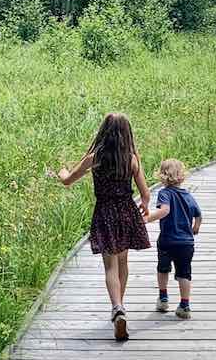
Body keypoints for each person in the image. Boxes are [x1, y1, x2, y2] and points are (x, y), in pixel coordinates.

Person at [57, 113, 150, 340]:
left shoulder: (94, 157)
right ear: (127, 134)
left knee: (110, 267)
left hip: (105, 212)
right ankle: (119, 307)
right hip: (126, 212)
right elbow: (145, 194)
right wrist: (145, 206)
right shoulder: (131, 159)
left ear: (103, 133)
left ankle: (117, 306)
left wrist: (62, 173)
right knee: (122, 262)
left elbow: (68, 179)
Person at [144, 159, 203, 319]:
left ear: (162, 176)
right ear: (182, 176)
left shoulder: (165, 193)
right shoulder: (188, 195)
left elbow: (164, 210)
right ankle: (184, 305)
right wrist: (195, 228)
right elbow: (199, 214)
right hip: (186, 243)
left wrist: (147, 219)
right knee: (184, 274)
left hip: (167, 241)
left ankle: (163, 298)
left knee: (163, 268)